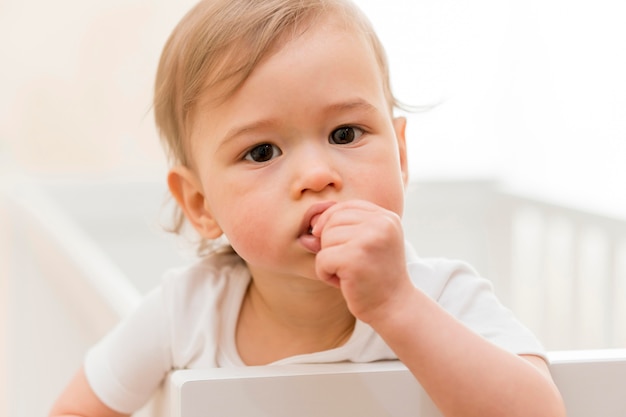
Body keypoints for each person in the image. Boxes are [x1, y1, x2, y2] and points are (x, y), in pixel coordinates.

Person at [49, 0, 566, 416]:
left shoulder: (442, 298)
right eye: (261, 152)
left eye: (345, 134)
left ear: (401, 154)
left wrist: (396, 306)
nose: (318, 175)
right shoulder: (185, 313)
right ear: (202, 205)